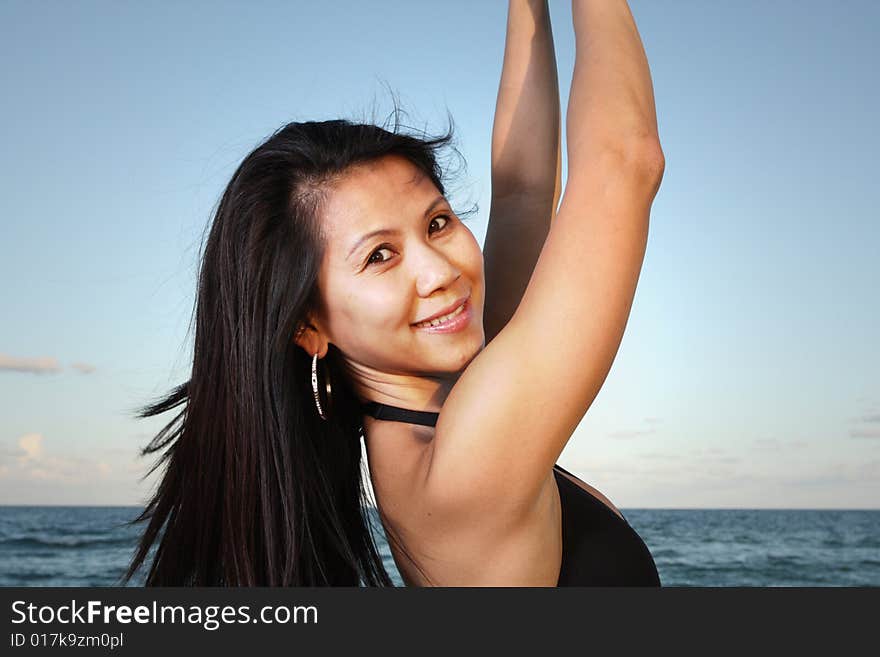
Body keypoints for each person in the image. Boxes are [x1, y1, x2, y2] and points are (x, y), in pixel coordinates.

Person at [123, 0, 664, 587]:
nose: (439, 272)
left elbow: (521, 191)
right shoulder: (464, 465)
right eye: (380, 256)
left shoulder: (445, 413)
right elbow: (625, 160)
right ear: (309, 326)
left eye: (437, 223)